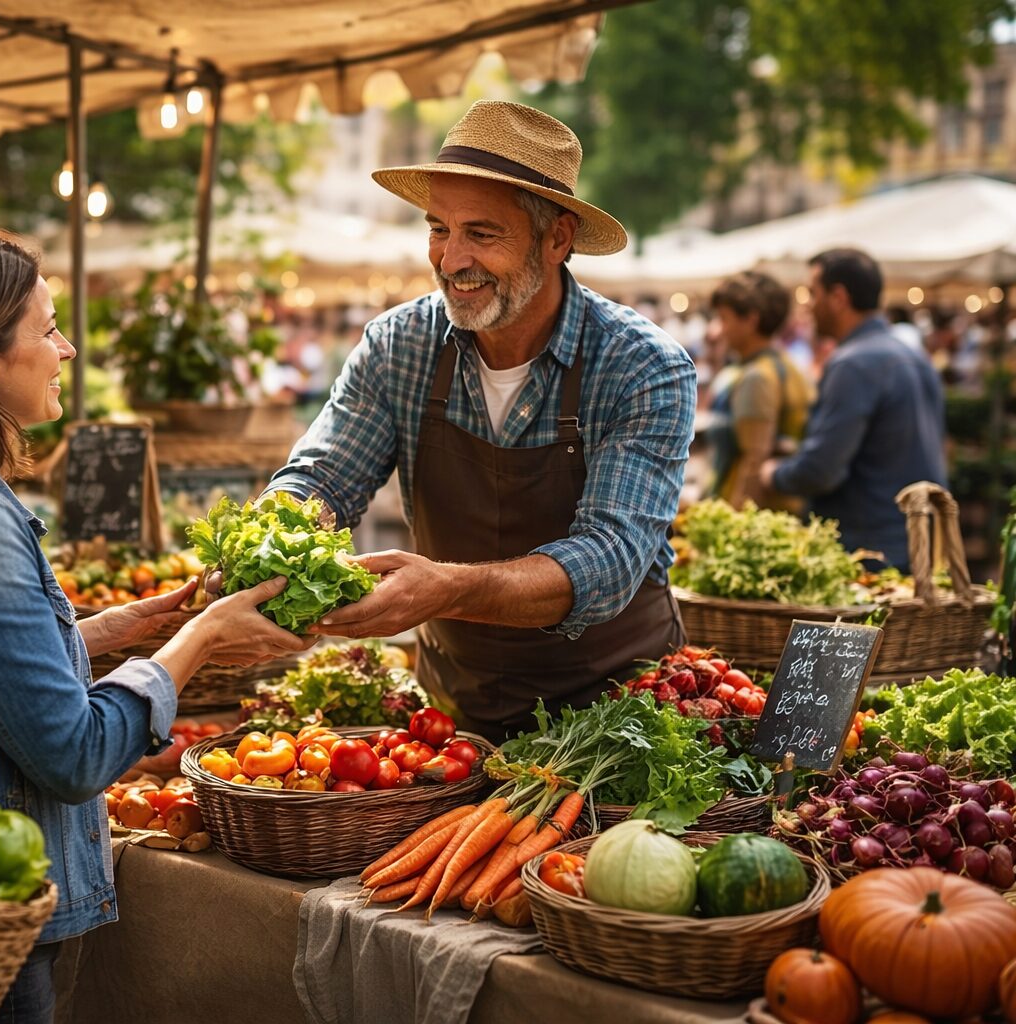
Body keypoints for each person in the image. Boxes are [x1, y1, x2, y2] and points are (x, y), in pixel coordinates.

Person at [0, 230, 310, 1022]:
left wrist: (122, 627)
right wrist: (199, 641)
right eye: (47, 329)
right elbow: (74, 752)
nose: (68, 348)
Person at [264, 101, 697, 740]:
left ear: (558, 239)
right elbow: (324, 477)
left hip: (619, 719)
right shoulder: (399, 344)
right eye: (439, 228)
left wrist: (447, 590)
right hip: (454, 712)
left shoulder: (642, 367)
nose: (450, 259)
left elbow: (610, 558)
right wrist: (268, 539)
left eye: (482, 234)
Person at [762, 249, 947, 570]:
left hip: (867, 551)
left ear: (838, 296)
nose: (807, 304)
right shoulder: (913, 355)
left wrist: (773, 475)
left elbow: (823, 470)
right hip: (913, 542)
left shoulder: (854, 362)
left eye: (812, 293)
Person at [704, 271, 815, 510]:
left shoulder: (758, 377)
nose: (719, 329)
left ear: (751, 320)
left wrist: (736, 526)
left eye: (724, 318)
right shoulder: (786, 366)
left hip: (753, 511)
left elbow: (754, 461)